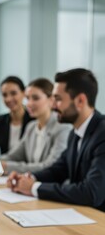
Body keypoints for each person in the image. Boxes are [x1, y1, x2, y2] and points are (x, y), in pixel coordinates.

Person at [7, 68, 105, 212]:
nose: (53, 105)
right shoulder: (75, 132)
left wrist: (34, 188)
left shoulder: (102, 134)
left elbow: (91, 192)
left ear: (80, 101)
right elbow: (59, 169)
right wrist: (29, 178)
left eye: (58, 99)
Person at [0, 78, 71, 173]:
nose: (29, 104)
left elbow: (50, 166)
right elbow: (14, 156)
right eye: (28, 98)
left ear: (51, 100)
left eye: (35, 98)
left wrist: (6, 166)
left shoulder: (62, 128)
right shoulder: (31, 127)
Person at [0, 76, 33, 159]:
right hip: (5, 170)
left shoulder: (33, 120)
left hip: (25, 170)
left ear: (24, 93)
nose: (8, 99)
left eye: (13, 93)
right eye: (4, 95)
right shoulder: (0, 120)